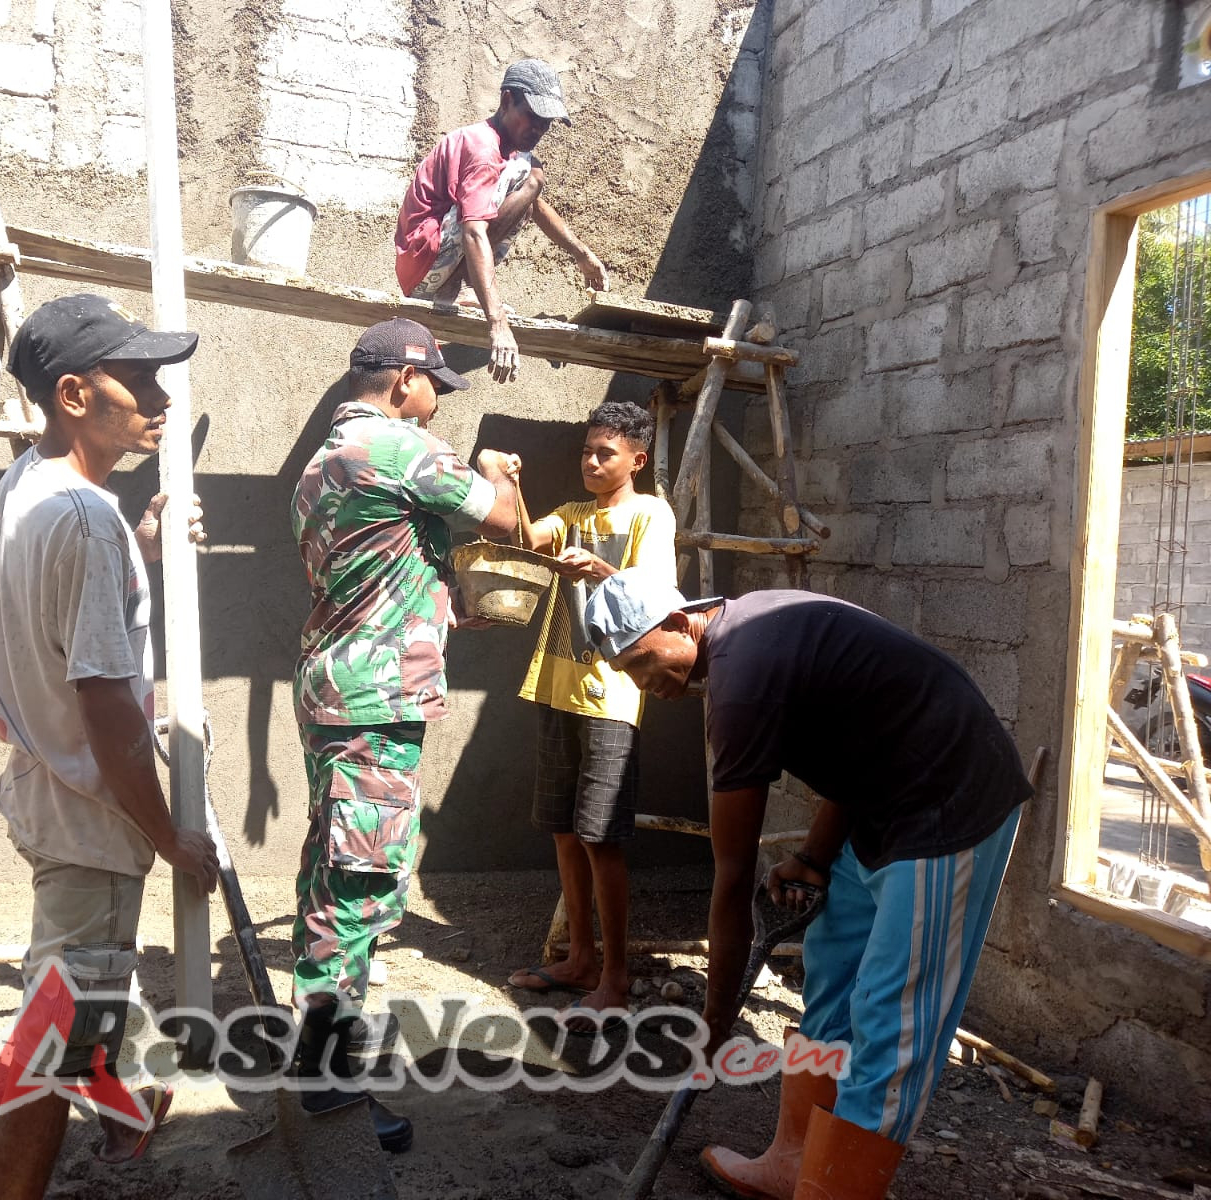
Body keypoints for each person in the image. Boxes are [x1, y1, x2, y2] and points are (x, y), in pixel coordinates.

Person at [584, 574, 1032, 1200]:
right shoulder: (743, 637)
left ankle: (833, 1191)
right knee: (831, 975)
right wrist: (816, 857)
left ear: (682, 622)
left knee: (890, 1016)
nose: (643, 685)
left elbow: (733, 879)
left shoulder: (740, 684)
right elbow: (860, 742)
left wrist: (714, 1024)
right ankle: (794, 1162)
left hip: (948, 800)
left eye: (641, 661)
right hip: (879, 796)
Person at [0, 292, 221, 1199]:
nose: (161, 396)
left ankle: (122, 1115)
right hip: (92, 815)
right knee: (54, 1033)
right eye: (141, 379)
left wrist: (142, 546)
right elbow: (109, 709)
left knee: (84, 1000)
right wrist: (166, 835)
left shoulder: (30, 484)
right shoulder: (84, 520)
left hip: (48, 790)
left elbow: (58, 614)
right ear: (75, 394)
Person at [290, 317, 521, 1150]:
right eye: (434, 391)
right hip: (374, 703)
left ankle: (318, 1060)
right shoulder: (390, 446)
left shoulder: (326, 463)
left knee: (332, 871)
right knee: (360, 888)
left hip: (344, 687)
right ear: (403, 381)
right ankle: (331, 1087)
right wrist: (495, 468)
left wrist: (442, 607)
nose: (435, 408)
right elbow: (502, 520)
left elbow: (375, 567)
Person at [503, 400, 676, 1029]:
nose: (592, 461)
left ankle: (615, 978)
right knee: (564, 830)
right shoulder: (572, 515)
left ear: (638, 459)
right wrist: (511, 484)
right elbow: (526, 538)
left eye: (606, 452)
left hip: (611, 693)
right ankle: (577, 959)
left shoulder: (650, 512)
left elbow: (656, 595)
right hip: (555, 684)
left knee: (602, 838)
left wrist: (600, 568)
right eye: (586, 450)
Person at [394, 58, 608, 384]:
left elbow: (531, 206)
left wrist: (582, 254)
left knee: (529, 176)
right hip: (424, 264)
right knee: (531, 175)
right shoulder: (483, 149)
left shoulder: (509, 153)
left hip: (436, 263)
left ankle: (458, 289)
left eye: (545, 122)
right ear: (506, 100)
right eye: (532, 117)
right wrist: (497, 323)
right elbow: (474, 233)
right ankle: (457, 289)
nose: (538, 129)